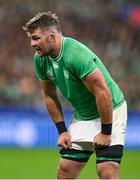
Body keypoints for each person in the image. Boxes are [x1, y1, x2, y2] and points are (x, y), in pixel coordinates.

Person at [23, 11, 127, 179]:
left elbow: (103, 93)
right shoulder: (40, 59)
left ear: (51, 37)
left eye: (35, 38)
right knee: (65, 172)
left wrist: (106, 132)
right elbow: (49, 95)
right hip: (84, 115)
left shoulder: (75, 55)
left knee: (107, 170)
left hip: (110, 110)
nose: (32, 43)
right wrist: (62, 131)